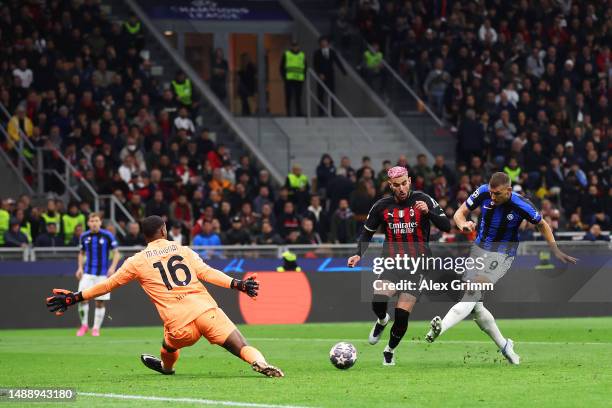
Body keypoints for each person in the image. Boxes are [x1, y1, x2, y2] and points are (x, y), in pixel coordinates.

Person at [46, 215, 284, 377]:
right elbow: (207, 273)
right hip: (206, 311)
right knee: (241, 346)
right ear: (163, 231)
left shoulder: (136, 261)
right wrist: (238, 284)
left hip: (179, 324)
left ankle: (166, 368)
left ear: (144, 236)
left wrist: (74, 298)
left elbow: (108, 285)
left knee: (168, 346)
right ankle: (259, 362)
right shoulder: (183, 250)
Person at [425, 172, 577, 364]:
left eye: (497, 194)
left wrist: (555, 250)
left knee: (472, 291)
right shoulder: (482, 192)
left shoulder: (522, 205)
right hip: (479, 250)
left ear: (509, 191)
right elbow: (459, 213)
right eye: (491, 193)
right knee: (476, 307)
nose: (492, 197)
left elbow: (543, 225)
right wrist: (463, 225)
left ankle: (441, 327)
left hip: (502, 255)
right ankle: (507, 348)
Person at [347, 166, 451, 365]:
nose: (402, 188)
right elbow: (367, 232)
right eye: (397, 185)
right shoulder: (381, 206)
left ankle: (389, 350)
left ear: (409, 181)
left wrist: (428, 213)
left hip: (418, 265)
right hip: (392, 263)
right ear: (390, 185)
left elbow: (446, 226)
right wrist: (357, 254)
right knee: (378, 301)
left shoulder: (424, 200)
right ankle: (382, 320)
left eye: (404, 183)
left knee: (402, 314)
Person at [75, 213, 121, 337]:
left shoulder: (107, 235)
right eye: (92, 220)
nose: (94, 223)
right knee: (81, 299)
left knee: (99, 302)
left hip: (102, 275)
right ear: (88, 223)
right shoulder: (84, 236)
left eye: (96, 220)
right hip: (88, 273)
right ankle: (84, 325)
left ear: (100, 223)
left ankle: (95, 328)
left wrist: (112, 268)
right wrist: (79, 268)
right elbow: (81, 253)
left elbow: (116, 253)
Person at [313, 36, 347, 115]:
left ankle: (332, 112)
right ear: (320, 43)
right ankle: (320, 113)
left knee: (332, 94)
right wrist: (319, 74)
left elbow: (337, 61)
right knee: (320, 94)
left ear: (328, 43)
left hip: (330, 75)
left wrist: (343, 71)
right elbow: (315, 64)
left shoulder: (332, 52)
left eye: (325, 41)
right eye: (322, 42)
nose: (324, 43)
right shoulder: (317, 53)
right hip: (321, 76)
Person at [280, 40, 306, 116]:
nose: (295, 47)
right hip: (289, 79)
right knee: (288, 96)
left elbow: (305, 67)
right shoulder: (287, 54)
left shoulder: (302, 55)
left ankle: (298, 112)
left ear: (298, 47)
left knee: (298, 97)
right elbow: (281, 67)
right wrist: (284, 77)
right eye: (293, 46)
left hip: (299, 79)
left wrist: (304, 77)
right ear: (291, 47)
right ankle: (288, 113)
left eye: (296, 46)